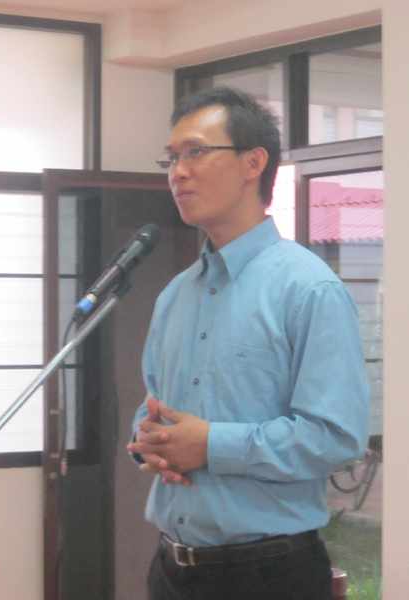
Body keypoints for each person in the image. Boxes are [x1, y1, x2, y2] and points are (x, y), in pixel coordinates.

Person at [127, 86, 369, 600]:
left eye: (195, 152)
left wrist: (211, 445)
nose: (178, 173)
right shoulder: (175, 295)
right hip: (171, 568)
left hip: (268, 574)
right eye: (171, 159)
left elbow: (336, 436)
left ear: (253, 163)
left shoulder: (309, 289)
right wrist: (150, 443)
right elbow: (153, 408)